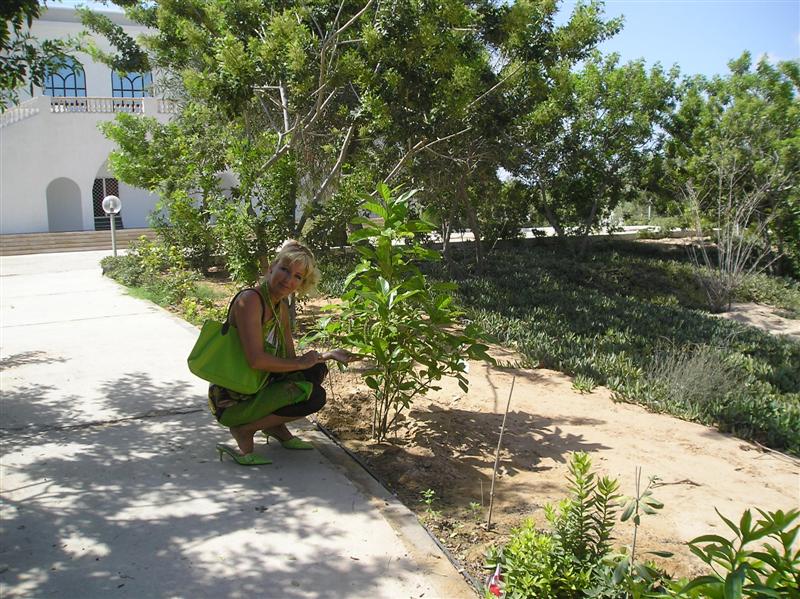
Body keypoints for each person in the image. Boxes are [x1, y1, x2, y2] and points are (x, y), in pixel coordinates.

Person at [210, 240, 343, 466]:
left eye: (297, 276)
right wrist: (301, 363)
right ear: (271, 267)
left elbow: (290, 359)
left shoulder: (279, 306)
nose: (289, 280)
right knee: (315, 395)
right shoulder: (250, 300)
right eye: (285, 269)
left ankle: (275, 427)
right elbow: (256, 360)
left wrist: (328, 355)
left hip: (259, 385)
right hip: (234, 399)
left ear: (301, 283)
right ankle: (244, 429)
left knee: (315, 370)